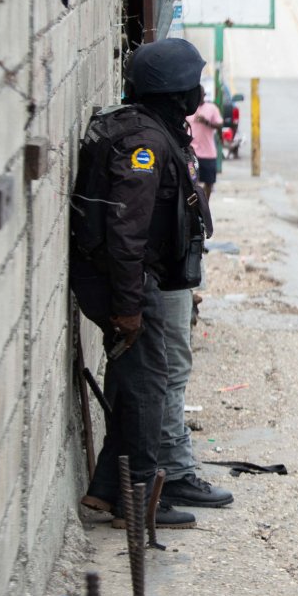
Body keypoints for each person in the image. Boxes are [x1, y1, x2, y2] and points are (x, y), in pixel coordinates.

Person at [71, 38, 232, 530]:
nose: (199, 94)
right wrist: (128, 305)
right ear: (173, 91)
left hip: (135, 280)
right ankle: (138, 501)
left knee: (137, 383)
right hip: (130, 283)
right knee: (146, 389)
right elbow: (126, 231)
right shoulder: (144, 143)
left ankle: (106, 489)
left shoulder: (155, 129)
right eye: (193, 85)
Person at [187, 86, 223, 203]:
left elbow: (219, 126)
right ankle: (195, 206)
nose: (198, 97)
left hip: (208, 153)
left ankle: (205, 205)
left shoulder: (212, 108)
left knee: (209, 182)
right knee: (192, 181)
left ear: (204, 95)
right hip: (192, 153)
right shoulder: (189, 109)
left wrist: (206, 122)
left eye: (201, 94)